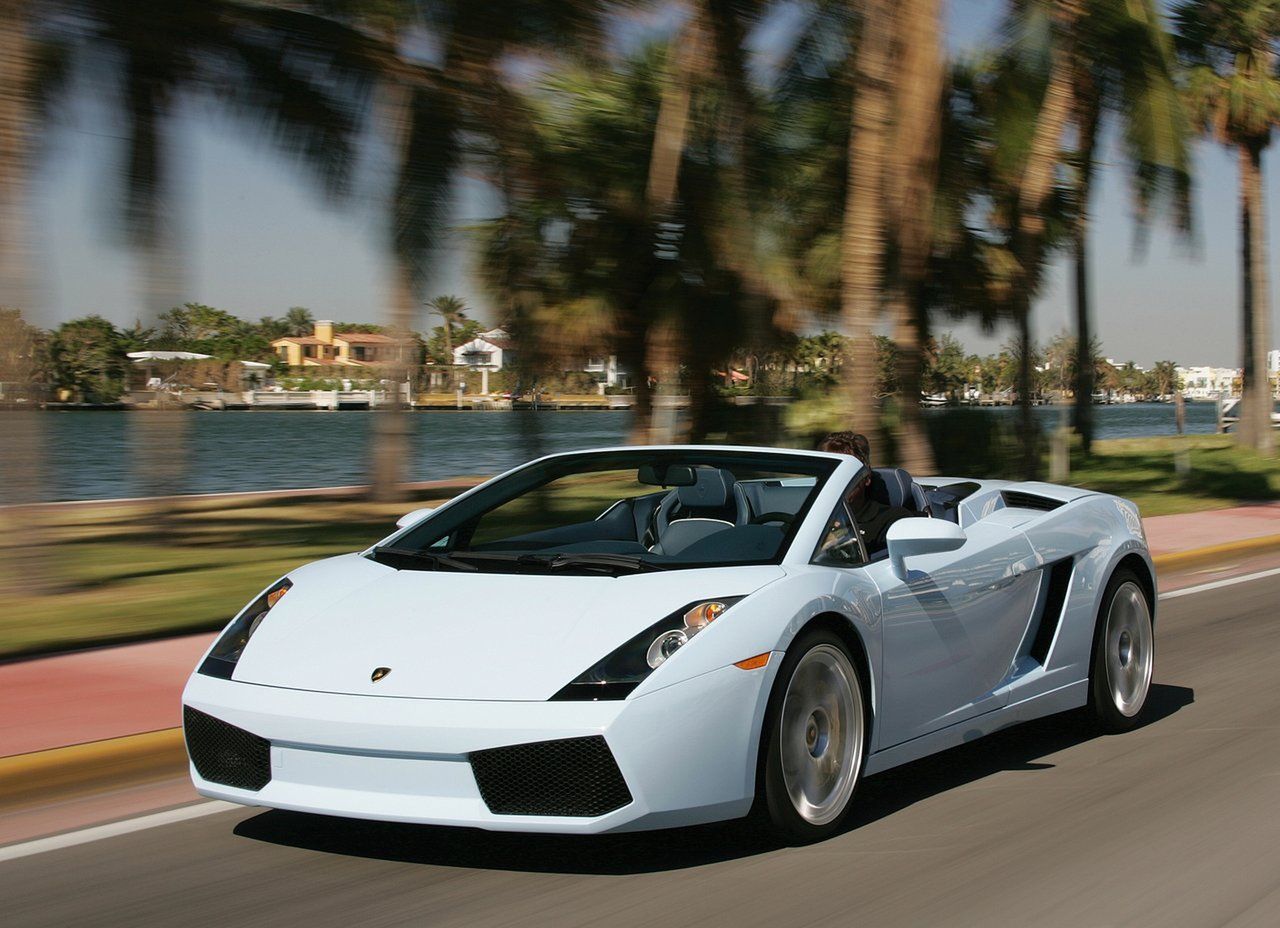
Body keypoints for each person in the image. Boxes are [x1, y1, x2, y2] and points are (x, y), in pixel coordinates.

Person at [817, 431, 915, 554]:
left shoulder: (893, 521)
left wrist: (839, 536)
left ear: (866, 478)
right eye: (826, 473)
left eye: (844, 474)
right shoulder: (807, 519)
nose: (834, 481)